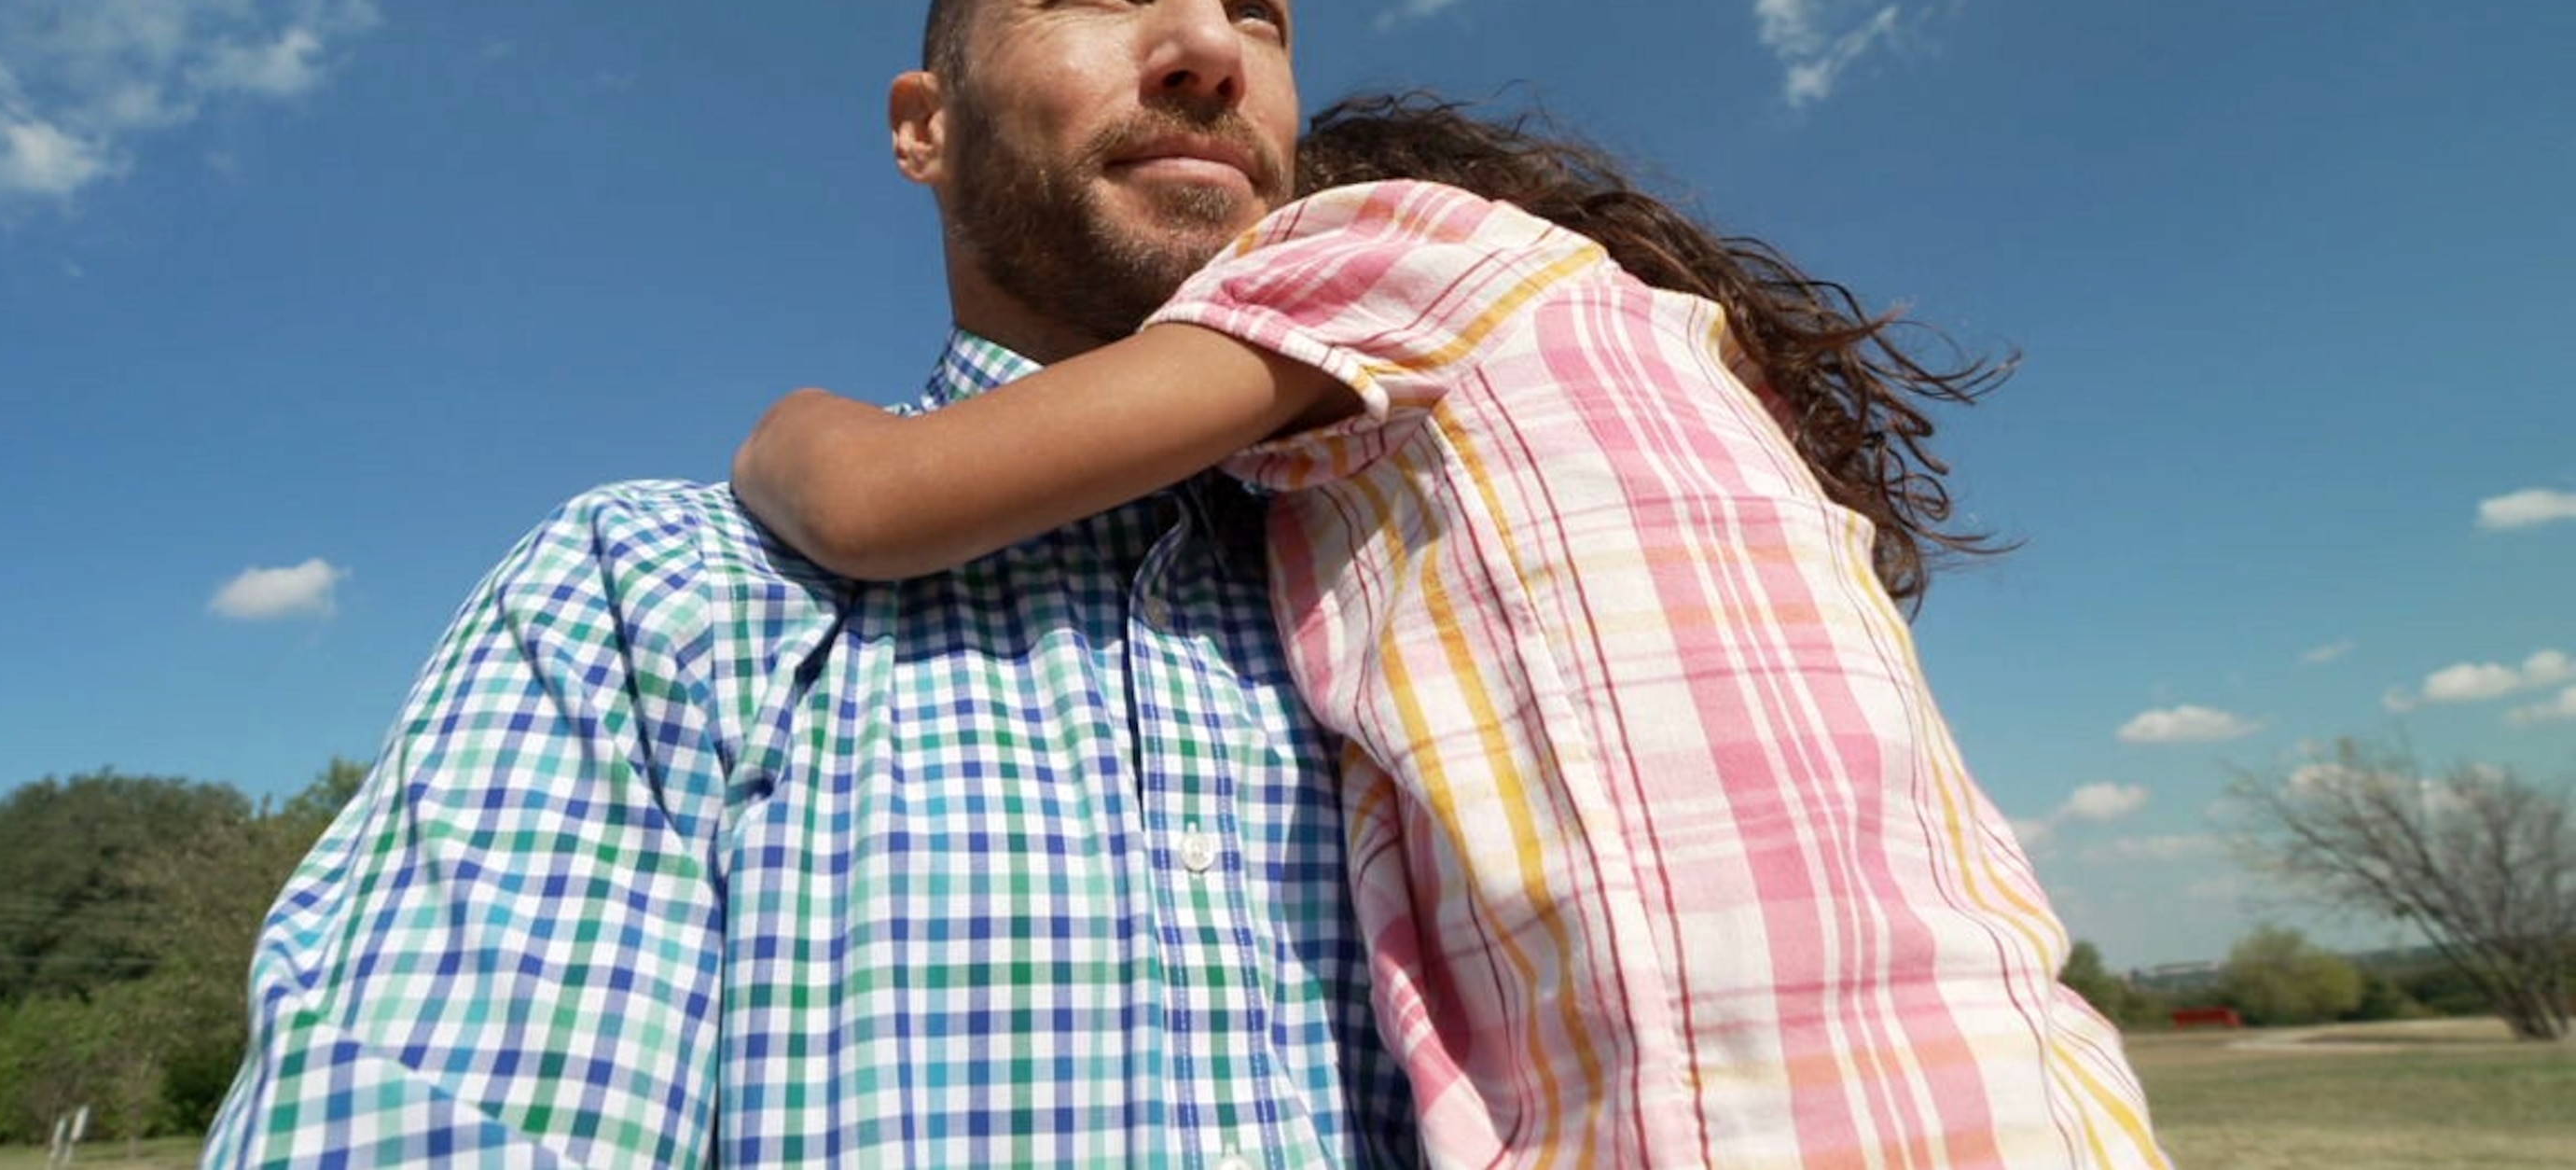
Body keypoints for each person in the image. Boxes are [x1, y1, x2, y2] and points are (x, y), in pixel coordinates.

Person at [201, 0, 1420, 1167]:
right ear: (925, 127)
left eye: (1259, 13)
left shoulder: (1437, 586)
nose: (1206, 47)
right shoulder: (644, 595)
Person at [735, 94, 2170, 1168]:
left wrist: (789, 430)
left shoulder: (1386, 242)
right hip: (2035, 1090)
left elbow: (878, 501)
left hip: (1723, 1108)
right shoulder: (1687, 371)